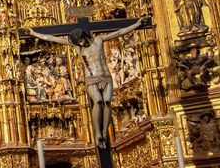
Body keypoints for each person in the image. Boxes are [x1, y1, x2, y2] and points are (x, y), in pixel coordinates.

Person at [25, 18, 146, 149]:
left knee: (107, 102)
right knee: (98, 101)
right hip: (92, 78)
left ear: (84, 36)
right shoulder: (78, 48)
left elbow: (119, 32)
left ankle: (104, 132)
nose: (81, 43)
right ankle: (98, 133)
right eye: (79, 42)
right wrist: (34, 33)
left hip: (106, 77)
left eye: (81, 40)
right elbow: (54, 39)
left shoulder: (99, 40)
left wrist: (137, 24)